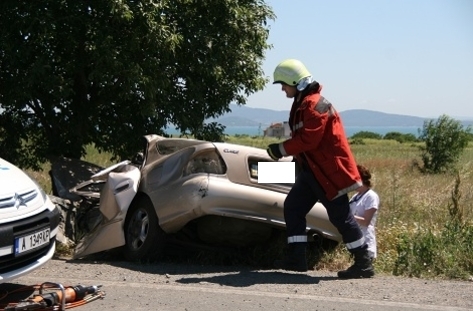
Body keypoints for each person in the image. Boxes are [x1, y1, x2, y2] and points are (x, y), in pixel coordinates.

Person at [266, 58, 374, 279]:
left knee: (340, 217)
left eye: (283, 84)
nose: (283, 89)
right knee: (294, 207)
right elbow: (301, 135)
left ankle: (363, 261)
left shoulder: (316, 104)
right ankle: (297, 259)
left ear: (297, 82)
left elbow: (309, 139)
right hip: (313, 173)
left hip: (328, 174)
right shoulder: (303, 104)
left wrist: (280, 149)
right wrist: (277, 135)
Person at [349, 164, 380, 261]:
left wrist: (348, 217)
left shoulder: (371, 196)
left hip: (366, 239)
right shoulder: (355, 196)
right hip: (356, 238)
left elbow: (366, 222)